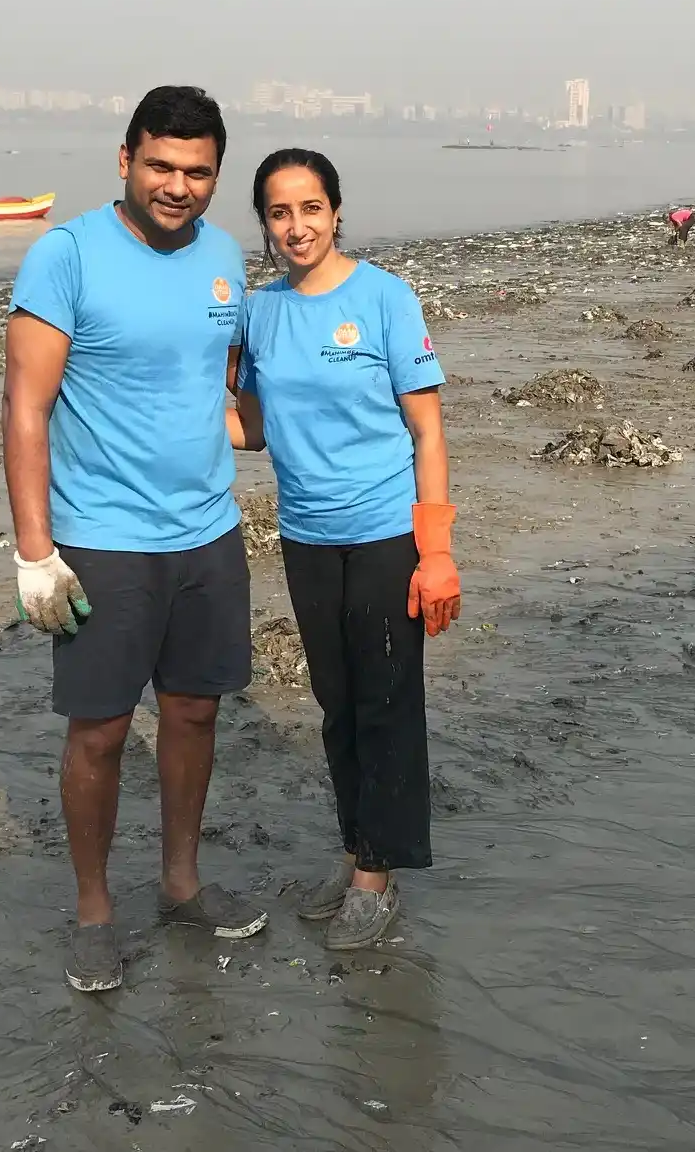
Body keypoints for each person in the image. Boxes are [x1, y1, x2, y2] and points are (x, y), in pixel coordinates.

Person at [4, 85, 268, 993]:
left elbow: (227, 394)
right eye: (160, 165)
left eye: (198, 172)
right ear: (125, 160)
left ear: (216, 177)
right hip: (103, 540)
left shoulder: (227, 258)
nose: (178, 186)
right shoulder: (65, 255)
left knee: (195, 712)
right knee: (103, 732)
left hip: (208, 532)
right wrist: (35, 552)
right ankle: (92, 912)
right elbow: (26, 409)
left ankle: (182, 883)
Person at [230, 148, 459, 950]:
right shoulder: (258, 313)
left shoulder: (385, 298)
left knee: (387, 705)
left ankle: (377, 879)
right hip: (307, 537)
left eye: (311, 209)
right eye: (280, 213)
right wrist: (159, 417)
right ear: (265, 224)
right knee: (336, 709)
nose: (297, 227)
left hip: (389, 534)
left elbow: (427, 430)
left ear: (336, 212)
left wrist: (437, 552)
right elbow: (253, 429)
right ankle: (357, 849)